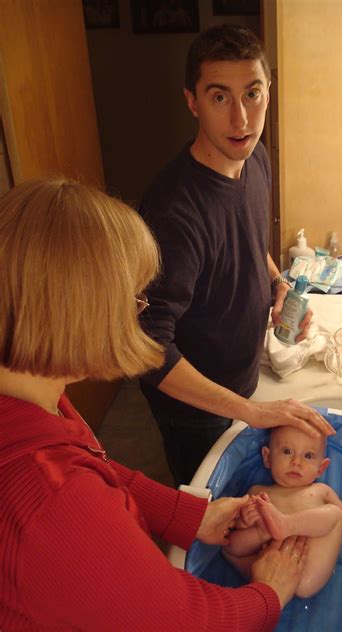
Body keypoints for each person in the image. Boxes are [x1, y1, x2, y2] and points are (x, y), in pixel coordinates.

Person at [0, 177, 311, 630]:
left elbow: (99, 468)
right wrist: (269, 593)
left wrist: (191, 516)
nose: (139, 312)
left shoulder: (35, 401)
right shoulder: (52, 502)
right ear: (80, 310)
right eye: (132, 299)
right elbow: (179, 621)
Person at [138, 24, 331, 487]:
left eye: (253, 94)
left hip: (241, 383)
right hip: (195, 410)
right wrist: (250, 411)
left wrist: (278, 287)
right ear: (192, 102)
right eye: (220, 97)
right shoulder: (173, 214)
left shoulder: (256, 158)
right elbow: (146, 348)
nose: (241, 119)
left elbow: (249, 242)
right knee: (214, 512)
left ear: (269, 92)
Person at [223, 426, 342, 598]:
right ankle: (265, 530)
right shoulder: (257, 491)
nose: (296, 461)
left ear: (321, 468)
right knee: (229, 546)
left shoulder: (320, 490)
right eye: (287, 451)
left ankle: (286, 525)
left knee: (336, 514)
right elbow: (235, 527)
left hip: (304, 575)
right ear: (267, 458)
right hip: (263, 571)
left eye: (308, 456)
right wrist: (245, 521)